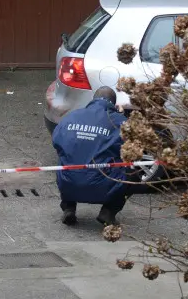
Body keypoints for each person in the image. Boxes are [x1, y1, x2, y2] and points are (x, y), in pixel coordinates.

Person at [52, 86, 131, 226]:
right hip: (104, 185)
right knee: (131, 169)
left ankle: (69, 207)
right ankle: (108, 211)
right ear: (113, 103)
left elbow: (57, 142)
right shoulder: (118, 121)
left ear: (93, 100)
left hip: (69, 182)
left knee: (65, 160)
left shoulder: (72, 116)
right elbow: (131, 148)